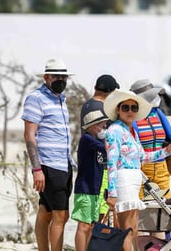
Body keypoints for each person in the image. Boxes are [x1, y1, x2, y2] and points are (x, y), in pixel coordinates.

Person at [103, 89, 171, 251]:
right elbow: (112, 162)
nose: (130, 111)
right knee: (127, 230)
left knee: (133, 228)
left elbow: (143, 157)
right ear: (118, 109)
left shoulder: (131, 131)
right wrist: (112, 192)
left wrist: (166, 151)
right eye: (125, 107)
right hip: (123, 181)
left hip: (134, 179)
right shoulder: (114, 130)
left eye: (134, 108)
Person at [21, 58, 75, 251]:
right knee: (61, 216)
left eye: (64, 76)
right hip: (50, 165)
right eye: (56, 76)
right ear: (46, 77)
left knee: (46, 211)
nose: (61, 80)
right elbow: (29, 135)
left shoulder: (61, 98)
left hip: (64, 163)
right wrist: (37, 169)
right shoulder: (36, 98)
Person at [130, 79, 171, 201]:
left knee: (165, 208)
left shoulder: (157, 112)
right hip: (142, 170)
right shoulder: (132, 117)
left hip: (162, 168)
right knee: (141, 209)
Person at [80, 74, 120, 222]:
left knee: (89, 217)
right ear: (111, 91)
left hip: (89, 162)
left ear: (95, 87)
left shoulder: (87, 105)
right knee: (100, 215)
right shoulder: (105, 109)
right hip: (102, 165)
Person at [72, 110, 109, 251]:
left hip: (95, 189)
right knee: (84, 225)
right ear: (94, 127)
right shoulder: (87, 139)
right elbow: (106, 148)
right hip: (85, 189)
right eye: (103, 126)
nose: (104, 129)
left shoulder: (97, 140)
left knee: (92, 225)